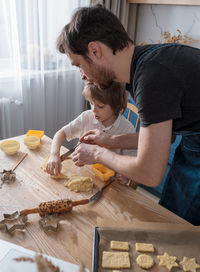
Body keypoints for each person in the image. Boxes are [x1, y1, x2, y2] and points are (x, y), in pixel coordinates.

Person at [56, 5, 200, 225]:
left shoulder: (152, 79)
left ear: (95, 51)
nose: (82, 76)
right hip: (193, 141)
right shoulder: (141, 67)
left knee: (182, 232)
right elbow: (165, 137)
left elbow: (150, 173)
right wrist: (111, 141)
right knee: (171, 223)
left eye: (79, 65)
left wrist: (97, 153)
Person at [46, 80, 137, 184]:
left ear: (117, 105)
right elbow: (61, 133)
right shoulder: (87, 117)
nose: (93, 110)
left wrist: (126, 176)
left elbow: (132, 162)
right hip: (82, 174)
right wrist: (54, 155)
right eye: (91, 103)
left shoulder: (127, 129)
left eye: (100, 106)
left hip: (108, 182)